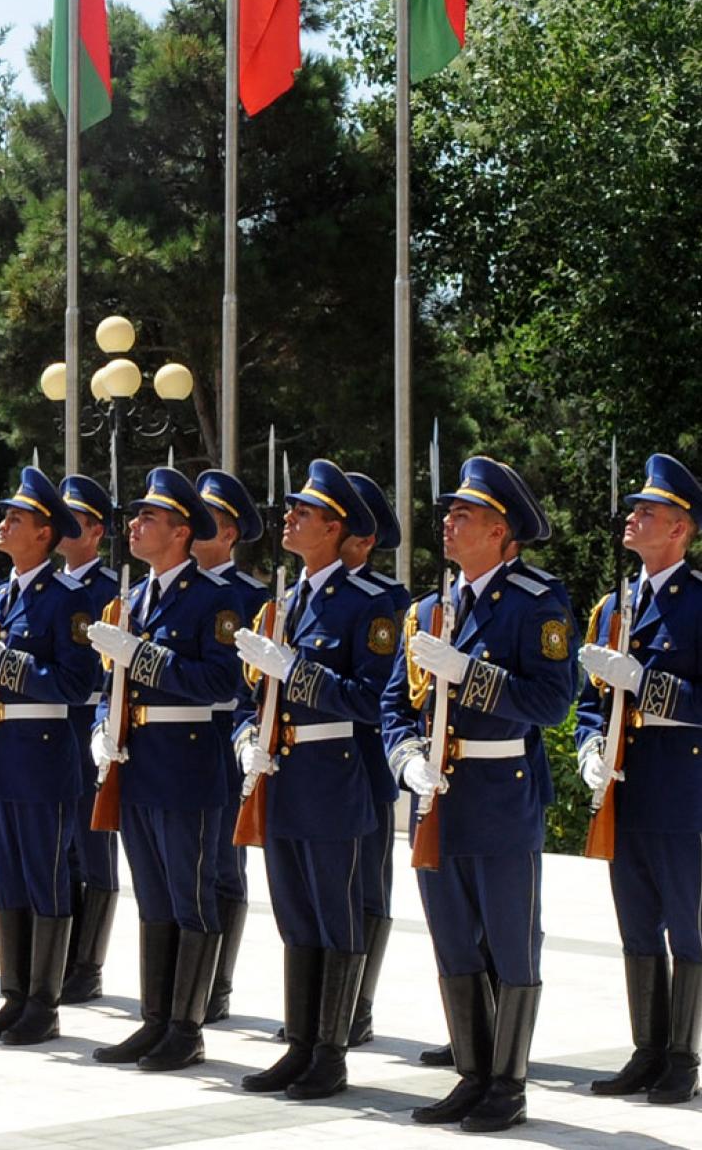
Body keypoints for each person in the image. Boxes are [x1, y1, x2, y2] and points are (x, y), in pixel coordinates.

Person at [381, 455, 576, 1132]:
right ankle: (472, 1073)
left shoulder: (536, 602)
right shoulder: (429, 609)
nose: (450, 522)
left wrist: (469, 675)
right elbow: (394, 704)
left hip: (500, 792)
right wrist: (405, 758)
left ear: (503, 533)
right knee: (454, 938)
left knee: (511, 941)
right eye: (450, 512)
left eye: (466, 514)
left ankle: (509, 1085)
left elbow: (552, 703)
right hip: (437, 795)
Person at [229, 460, 395, 1100]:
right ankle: (299, 1045)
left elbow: (371, 698)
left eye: (305, 512)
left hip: (334, 775)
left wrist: (297, 672)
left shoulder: (370, 605)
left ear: (336, 527)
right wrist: (247, 737)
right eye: (291, 510)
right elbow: (252, 693)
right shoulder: (286, 601)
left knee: (335, 915)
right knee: (295, 916)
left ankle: (331, 1051)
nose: (289, 518)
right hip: (282, 773)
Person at [86, 468, 244, 1072]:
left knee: (191, 895)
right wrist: (104, 724)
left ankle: (187, 1026)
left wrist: (145, 658)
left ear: (182, 532)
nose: (135, 525)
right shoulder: (133, 599)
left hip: (188, 764)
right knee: (152, 896)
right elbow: (110, 682)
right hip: (139, 761)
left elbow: (222, 681)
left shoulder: (214, 600)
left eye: (149, 518)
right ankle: (155, 1020)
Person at [0, 467, 96, 1045]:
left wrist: (7, 664)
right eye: (6, 515)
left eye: (17, 517)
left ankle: (45, 1002)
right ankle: (14, 996)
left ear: (44, 533)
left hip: (42, 753)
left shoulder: (69, 600)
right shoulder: (1, 595)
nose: (5, 523)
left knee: (45, 877)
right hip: (0, 750)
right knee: (6, 876)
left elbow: (77, 680)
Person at [576, 453, 702, 1106]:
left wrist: (649, 685)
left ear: (680, 529)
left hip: (684, 790)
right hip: (625, 789)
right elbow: (593, 700)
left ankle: (682, 1056)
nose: (632, 518)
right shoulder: (614, 606)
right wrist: (590, 746)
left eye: (647, 512)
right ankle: (646, 1050)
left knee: (689, 926)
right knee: (636, 925)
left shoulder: (699, 603)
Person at [194, 469, 267, 1023]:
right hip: (185, 740)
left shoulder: (252, 598)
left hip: (228, 740)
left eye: (207, 521)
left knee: (224, 865)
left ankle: (217, 982)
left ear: (231, 533)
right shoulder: (181, 589)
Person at [342, 471, 410, 1047]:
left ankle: (357, 1004)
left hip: (364, 768)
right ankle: (329, 1004)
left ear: (362, 540)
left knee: (366, 888)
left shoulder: (387, 603)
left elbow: (380, 696)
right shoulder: (305, 598)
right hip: (312, 770)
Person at [56, 475, 123, 1003]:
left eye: (73, 518)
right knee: (61, 849)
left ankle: (88, 963)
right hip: (52, 731)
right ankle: (61, 955)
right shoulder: (55, 588)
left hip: (90, 727)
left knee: (94, 847)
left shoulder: (109, 592)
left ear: (96, 529)